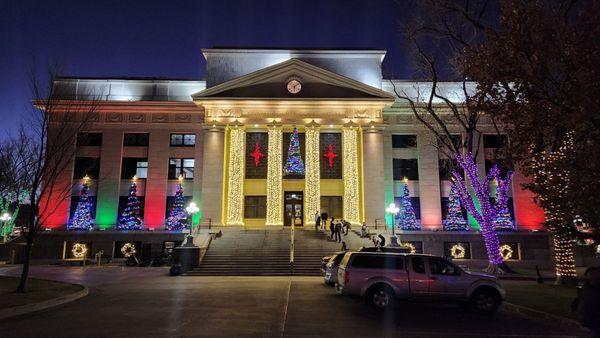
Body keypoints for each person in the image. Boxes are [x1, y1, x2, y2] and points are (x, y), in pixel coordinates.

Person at [575, 267, 600, 336]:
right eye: (590, 274)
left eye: (595, 274)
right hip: (588, 319)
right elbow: (581, 298)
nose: (592, 276)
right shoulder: (585, 287)